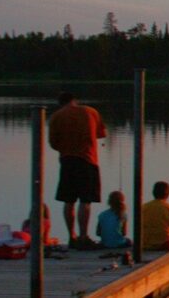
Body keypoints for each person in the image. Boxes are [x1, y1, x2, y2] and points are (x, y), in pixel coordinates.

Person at [48, 92, 106, 248]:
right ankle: (83, 236)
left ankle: (71, 236)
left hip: (67, 160)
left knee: (69, 201)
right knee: (85, 201)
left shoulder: (56, 116)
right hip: (88, 160)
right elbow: (101, 134)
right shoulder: (90, 111)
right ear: (75, 100)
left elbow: (53, 143)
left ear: (61, 103)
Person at [140, 181, 169, 251]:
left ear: (153, 192)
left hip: (144, 244)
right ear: (168, 194)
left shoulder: (143, 207)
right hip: (163, 245)